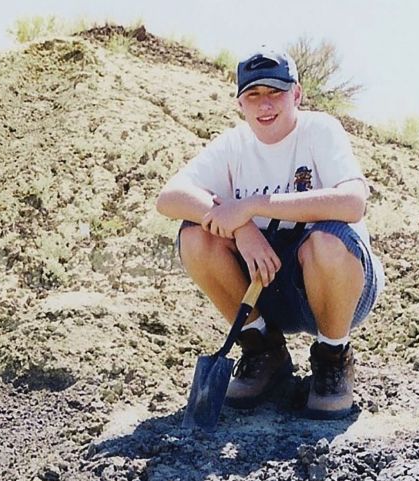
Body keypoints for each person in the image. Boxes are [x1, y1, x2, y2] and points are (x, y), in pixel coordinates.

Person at [155, 46, 384, 418]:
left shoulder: (320, 131)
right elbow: (168, 198)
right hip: (264, 287)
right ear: (240, 104)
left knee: (326, 241)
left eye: (275, 92)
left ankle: (332, 356)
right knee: (196, 236)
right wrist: (243, 229)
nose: (265, 105)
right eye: (254, 95)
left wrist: (254, 205)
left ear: (297, 94)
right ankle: (264, 350)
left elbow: (352, 203)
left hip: (338, 287)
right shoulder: (233, 145)